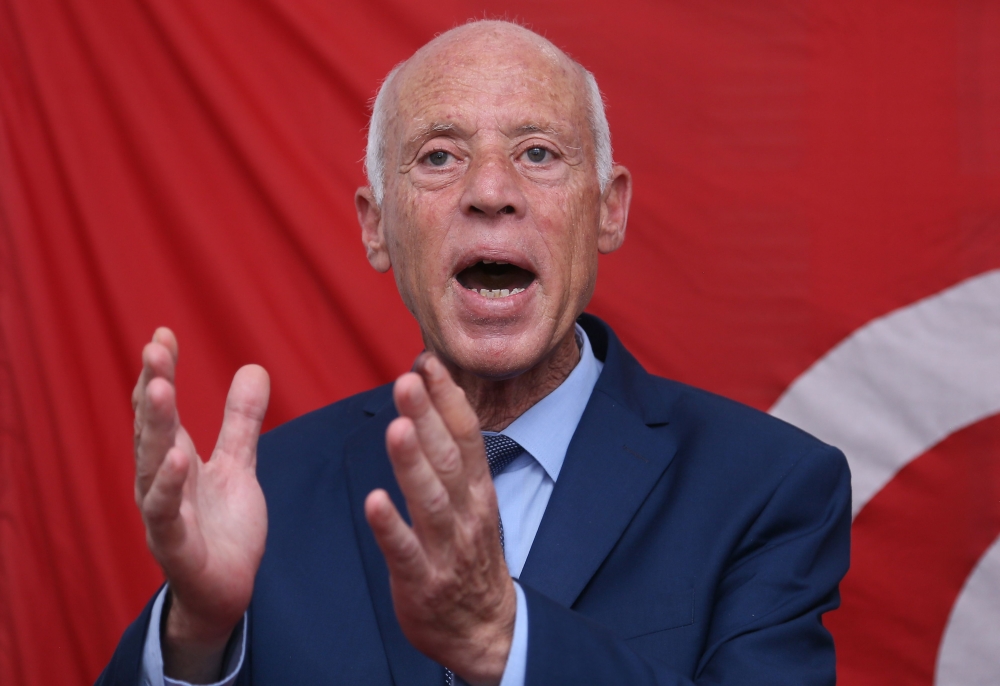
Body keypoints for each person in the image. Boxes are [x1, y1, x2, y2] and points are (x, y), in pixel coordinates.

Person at [97, 20, 851, 686]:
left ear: (608, 209)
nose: (491, 190)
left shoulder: (768, 489)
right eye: (438, 157)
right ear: (376, 227)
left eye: (538, 152)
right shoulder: (270, 494)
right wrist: (196, 633)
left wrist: (505, 642)